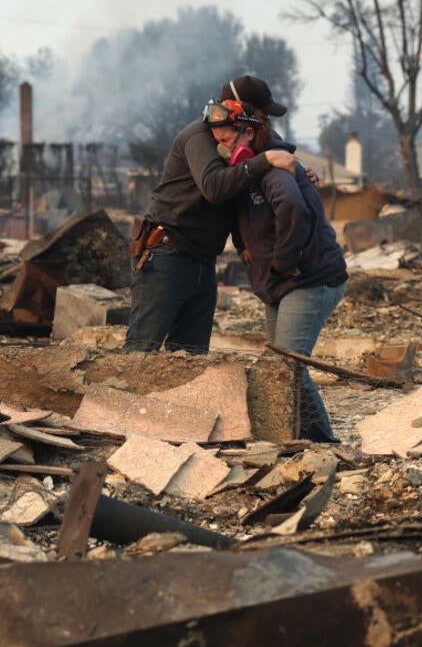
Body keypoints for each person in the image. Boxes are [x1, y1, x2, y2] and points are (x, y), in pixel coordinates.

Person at [211, 75, 348, 443]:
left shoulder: (274, 166)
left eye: (226, 138)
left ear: (248, 126)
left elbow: (291, 207)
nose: (221, 146)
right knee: (280, 368)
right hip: (283, 282)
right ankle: (297, 441)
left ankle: (323, 444)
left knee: (288, 368)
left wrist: (283, 263)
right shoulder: (252, 164)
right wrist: (243, 243)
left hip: (307, 278)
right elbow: (241, 209)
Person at [123, 101, 300, 354]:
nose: (222, 146)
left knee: (190, 355)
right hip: (166, 253)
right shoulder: (198, 136)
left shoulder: (249, 144)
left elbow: (238, 198)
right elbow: (215, 188)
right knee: (141, 350)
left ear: (248, 132)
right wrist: (265, 160)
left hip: (203, 260)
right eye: (221, 139)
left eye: (227, 140)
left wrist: (241, 244)